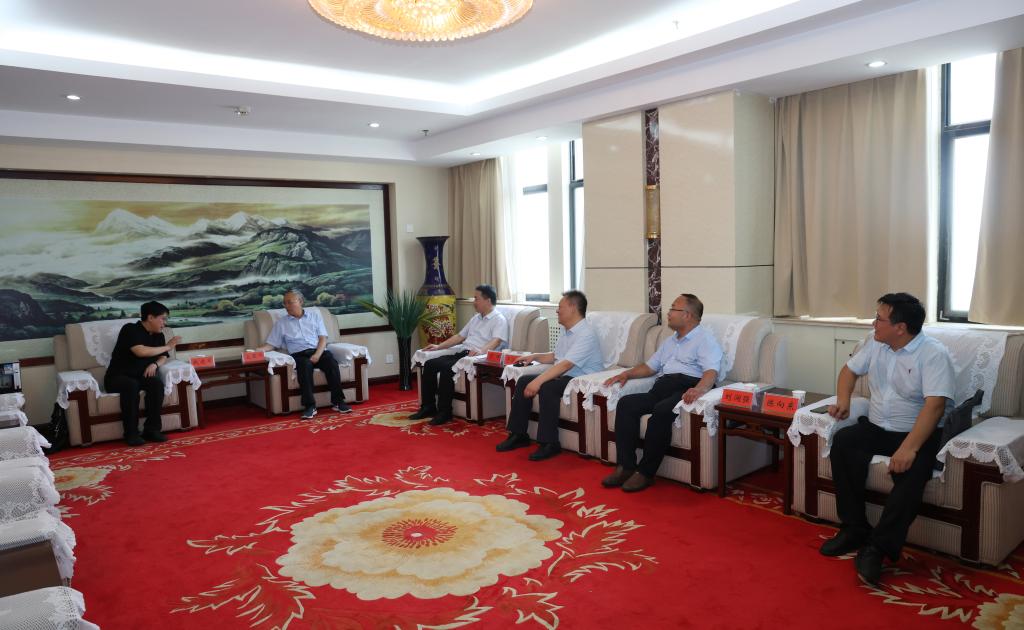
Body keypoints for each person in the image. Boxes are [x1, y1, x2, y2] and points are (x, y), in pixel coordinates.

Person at [819, 292, 954, 585]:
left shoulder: (933, 354)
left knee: (913, 473)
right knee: (844, 442)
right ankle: (854, 528)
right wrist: (843, 401)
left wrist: (909, 448)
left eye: (879, 319)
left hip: (918, 432)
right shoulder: (875, 342)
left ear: (900, 328)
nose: (873, 323)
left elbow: (935, 406)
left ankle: (878, 548)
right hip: (878, 426)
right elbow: (849, 371)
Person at [600, 294, 722, 492]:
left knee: (662, 410)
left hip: (685, 387)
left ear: (687, 315)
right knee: (627, 403)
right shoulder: (670, 341)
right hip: (662, 387)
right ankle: (626, 466)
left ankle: (646, 473)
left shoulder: (704, 340)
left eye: (673, 308)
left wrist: (699, 389)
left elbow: (711, 372)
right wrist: (626, 374)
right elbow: (650, 367)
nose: (669, 312)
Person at [496, 290, 604, 461]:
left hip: (581, 380)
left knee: (547, 387)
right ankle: (518, 434)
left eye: (560, 307)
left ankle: (550, 443)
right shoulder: (566, 331)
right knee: (523, 381)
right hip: (566, 375)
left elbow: (566, 364)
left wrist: (538, 381)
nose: (557, 310)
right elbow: (557, 357)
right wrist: (534, 356)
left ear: (573, 308)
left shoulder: (586, 334)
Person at [410, 284, 509, 425]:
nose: (474, 302)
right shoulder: (476, 318)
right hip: (463, 352)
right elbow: (459, 336)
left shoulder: (499, 319)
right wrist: (438, 346)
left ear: (487, 300)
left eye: (476, 298)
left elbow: (496, 341)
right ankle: (428, 407)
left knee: (447, 369)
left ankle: (445, 412)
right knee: (430, 364)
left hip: (475, 357)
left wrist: (481, 351)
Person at [257, 290, 352, 420]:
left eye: (290, 302)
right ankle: (310, 406)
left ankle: (338, 401)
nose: (286, 306)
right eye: (285, 303)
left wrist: (317, 355)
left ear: (300, 302)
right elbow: (271, 344)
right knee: (305, 366)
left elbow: (323, 339)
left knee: (331, 361)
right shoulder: (281, 323)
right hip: (299, 355)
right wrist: (257, 351)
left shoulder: (314, 317)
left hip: (317, 351)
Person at [105, 301, 182, 446]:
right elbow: (140, 351)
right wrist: (167, 346)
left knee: (156, 384)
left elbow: (163, 356)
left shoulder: (159, 335)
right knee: (131, 385)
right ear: (150, 317)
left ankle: (152, 430)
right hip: (117, 377)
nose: (164, 323)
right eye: (162, 319)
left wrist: (155, 364)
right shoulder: (130, 329)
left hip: (140, 376)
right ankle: (131, 433)